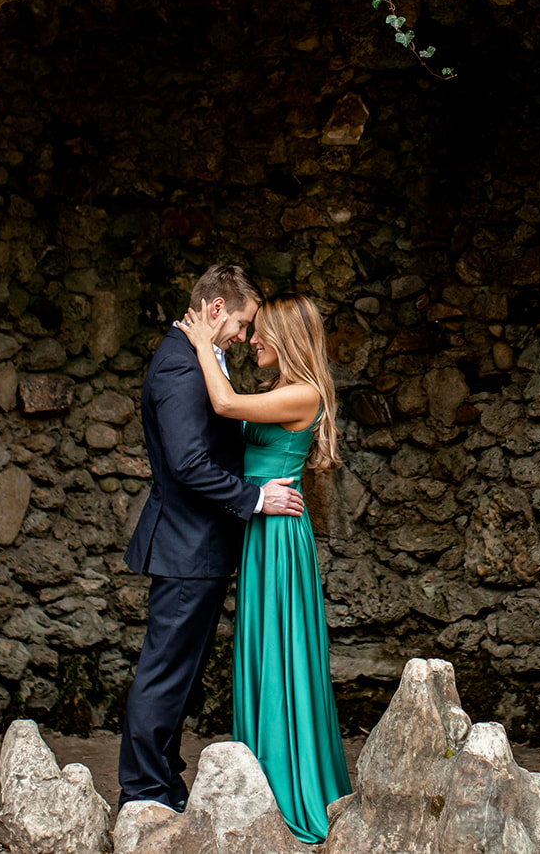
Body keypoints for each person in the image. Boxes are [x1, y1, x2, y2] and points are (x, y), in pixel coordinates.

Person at [119, 264, 305, 813]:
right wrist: (255, 497)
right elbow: (189, 463)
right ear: (218, 310)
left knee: (180, 675)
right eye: (244, 324)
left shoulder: (198, 358)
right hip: (185, 545)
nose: (246, 338)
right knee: (165, 673)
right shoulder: (179, 366)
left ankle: (163, 783)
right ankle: (145, 792)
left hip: (197, 546)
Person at [176, 292, 352, 843]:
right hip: (261, 531)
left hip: (278, 535)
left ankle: (288, 787)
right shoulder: (280, 392)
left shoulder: (303, 394)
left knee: (281, 655)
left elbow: (226, 406)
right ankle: (264, 780)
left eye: (259, 333)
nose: (251, 340)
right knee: (262, 649)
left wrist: (204, 343)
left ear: (286, 337)